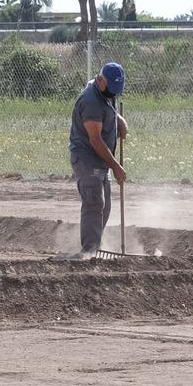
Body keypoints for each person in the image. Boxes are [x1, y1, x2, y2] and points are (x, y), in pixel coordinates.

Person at [69, 60, 129, 255]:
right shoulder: (90, 101)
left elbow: (109, 107)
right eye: (111, 90)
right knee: (95, 202)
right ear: (100, 81)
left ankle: (94, 246)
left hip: (102, 159)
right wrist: (116, 166)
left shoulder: (104, 91)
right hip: (88, 157)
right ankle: (89, 251)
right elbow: (95, 139)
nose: (113, 94)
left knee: (105, 206)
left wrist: (119, 120)